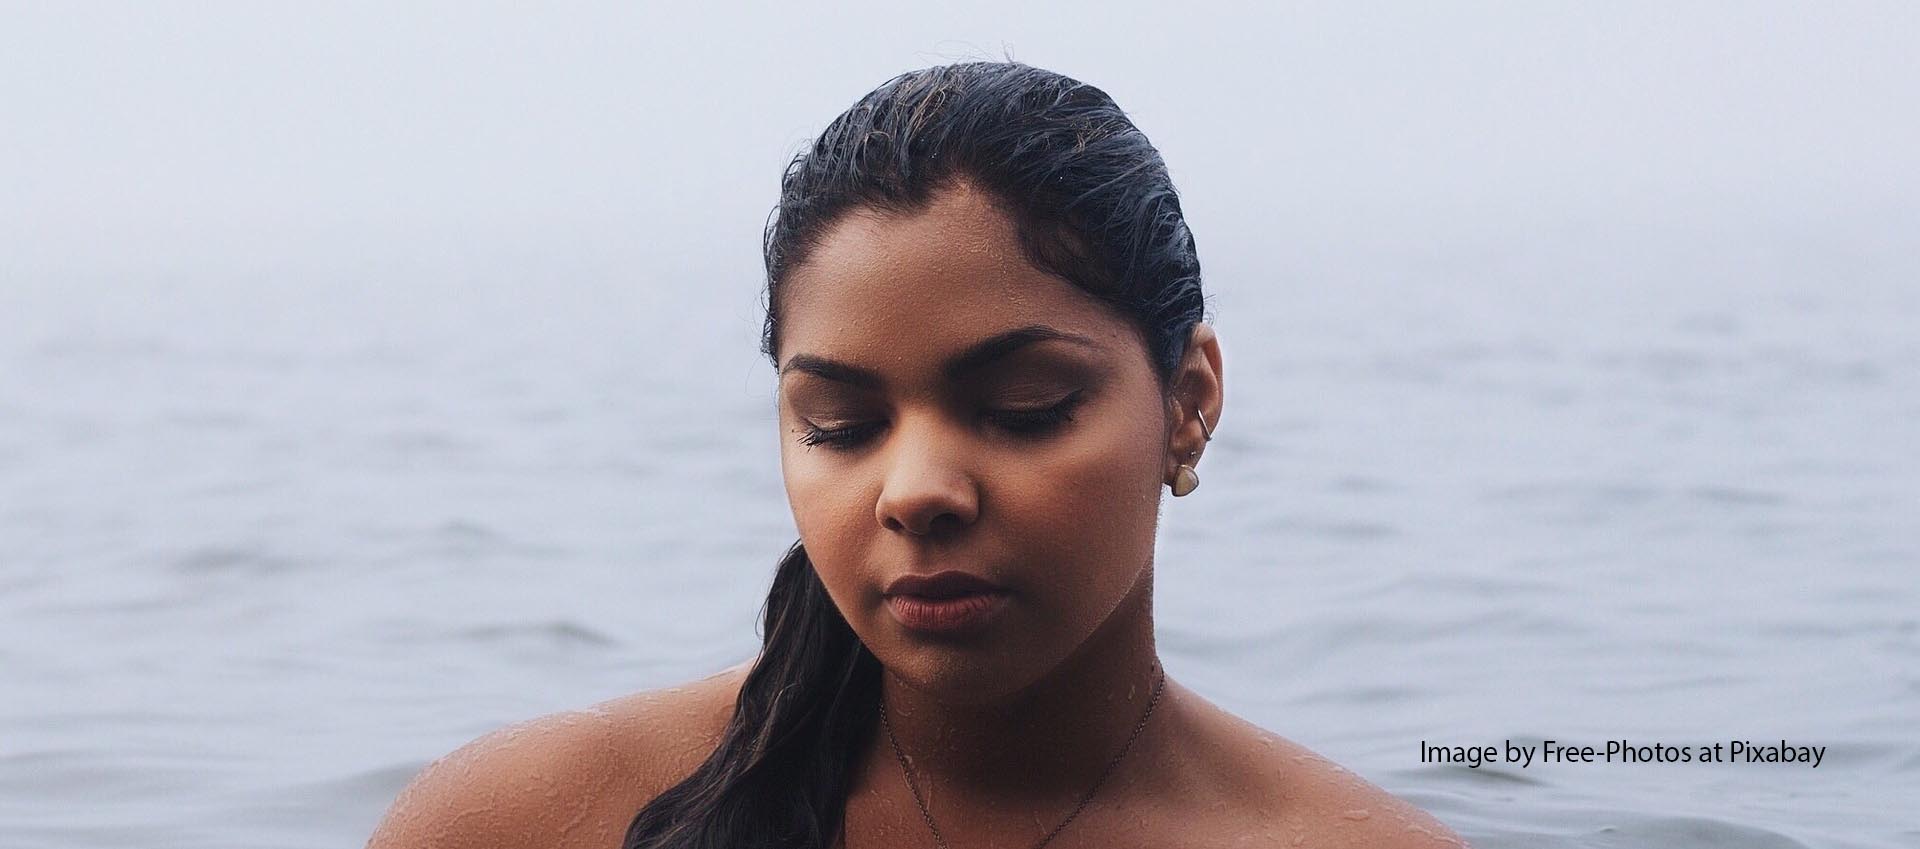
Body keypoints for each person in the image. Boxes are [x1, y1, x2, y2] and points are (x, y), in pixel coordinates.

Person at [367, 61, 1465, 849]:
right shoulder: (516, 822)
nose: (917, 491)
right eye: (840, 426)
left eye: (1025, 406)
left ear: (1188, 399)